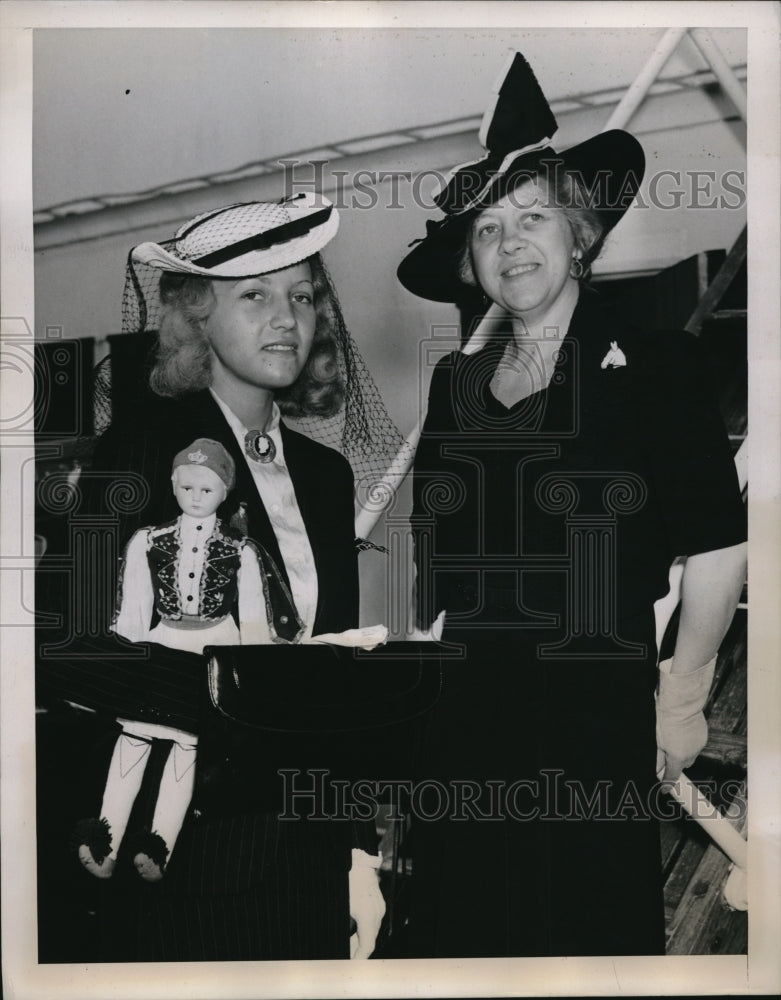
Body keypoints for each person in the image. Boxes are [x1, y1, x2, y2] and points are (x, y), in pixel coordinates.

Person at [397, 52, 747, 957]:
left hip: (596, 718)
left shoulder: (658, 364)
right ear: (469, 266)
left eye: (532, 218)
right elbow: (433, 575)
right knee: (463, 940)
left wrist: (679, 698)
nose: (509, 244)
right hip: (463, 725)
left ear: (579, 232)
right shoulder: (454, 383)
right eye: (485, 231)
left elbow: (716, 543)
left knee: (582, 940)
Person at [39, 192, 386, 960]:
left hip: (311, 853)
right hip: (188, 857)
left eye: (301, 296)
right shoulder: (140, 444)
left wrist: (358, 845)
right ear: (198, 318)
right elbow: (63, 637)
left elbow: (333, 678)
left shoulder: (325, 476)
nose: (285, 318)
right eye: (254, 295)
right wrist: (226, 701)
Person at [73, 437, 287, 884]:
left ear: (224, 492)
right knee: (132, 738)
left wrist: (249, 676)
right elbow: (134, 606)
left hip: (211, 654)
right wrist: (123, 659)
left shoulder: (242, 551)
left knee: (189, 747)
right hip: (162, 645)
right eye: (186, 487)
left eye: (206, 489)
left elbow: (252, 615)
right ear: (173, 486)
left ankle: (159, 847)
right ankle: (104, 839)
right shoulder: (149, 541)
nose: (195, 496)